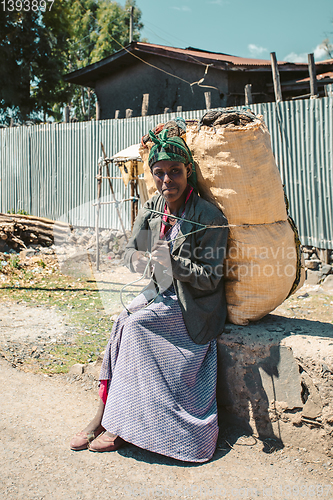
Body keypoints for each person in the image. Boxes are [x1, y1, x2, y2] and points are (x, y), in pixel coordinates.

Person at [70, 127, 229, 462]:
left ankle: (119, 426)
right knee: (122, 321)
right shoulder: (153, 207)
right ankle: (102, 416)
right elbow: (129, 251)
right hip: (159, 293)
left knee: (136, 326)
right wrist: (141, 259)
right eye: (159, 173)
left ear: (189, 171)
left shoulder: (208, 217)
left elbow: (210, 279)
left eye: (174, 171)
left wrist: (174, 262)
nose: (167, 180)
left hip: (193, 306)